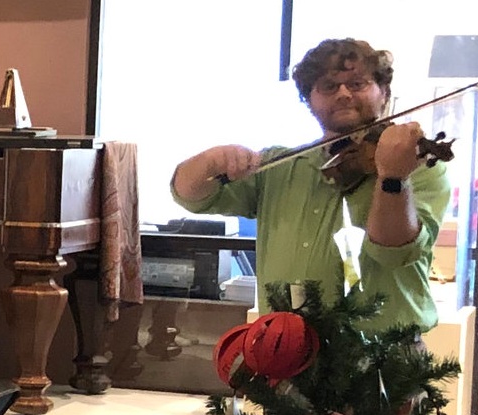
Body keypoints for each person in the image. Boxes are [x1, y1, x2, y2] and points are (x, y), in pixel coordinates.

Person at [171, 37, 448, 334]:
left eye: (357, 84)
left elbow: (392, 251)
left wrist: (393, 177)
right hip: (287, 351)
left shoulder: (417, 166)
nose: (343, 94)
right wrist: (211, 160)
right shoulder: (281, 165)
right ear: (309, 100)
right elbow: (190, 196)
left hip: (384, 356)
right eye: (329, 86)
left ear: (384, 93)